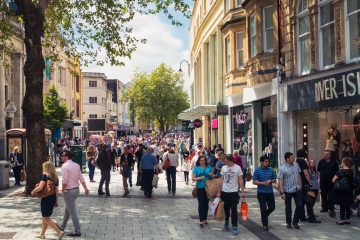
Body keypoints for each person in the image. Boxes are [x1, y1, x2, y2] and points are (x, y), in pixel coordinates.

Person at [58, 150, 89, 237]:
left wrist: (62, 190)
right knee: (68, 209)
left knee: (72, 211)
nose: (61, 157)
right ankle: (62, 227)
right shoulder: (76, 165)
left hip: (69, 191)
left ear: (67, 156)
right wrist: (86, 188)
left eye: (62, 155)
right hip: (76, 190)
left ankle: (77, 230)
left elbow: (65, 180)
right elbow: (81, 178)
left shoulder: (65, 166)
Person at [31, 162, 64, 240]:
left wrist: (33, 191)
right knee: (45, 216)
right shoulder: (55, 177)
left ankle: (59, 231)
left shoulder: (44, 176)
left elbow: (41, 186)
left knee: (46, 218)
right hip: (52, 198)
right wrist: (56, 201)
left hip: (46, 198)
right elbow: (56, 191)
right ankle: (42, 234)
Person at [216, 154, 245, 235]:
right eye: (224, 161)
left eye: (226, 161)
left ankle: (235, 225)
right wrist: (219, 192)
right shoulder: (224, 168)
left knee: (234, 209)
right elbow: (221, 180)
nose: (225, 162)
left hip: (234, 191)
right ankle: (226, 220)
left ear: (231, 160)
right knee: (226, 208)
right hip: (225, 191)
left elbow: (241, 179)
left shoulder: (237, 168)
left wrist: (242, 191)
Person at [277, 152, 302, 229]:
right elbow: (280, 180)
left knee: (299, 205)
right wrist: (282, 192)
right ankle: (288, 222)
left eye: (293, 157)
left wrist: (300, 185)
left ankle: (295, 221)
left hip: (296, 188)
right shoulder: (282, 168)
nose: (293, 159)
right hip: (287, 190)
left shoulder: (296, 165)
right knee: (288, 207)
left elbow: (298, 174)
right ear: (287, 159)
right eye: (292, 157)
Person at [296, 148, 321, 223]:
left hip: (299, 184)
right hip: (305, 185)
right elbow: (306, 174)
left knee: (302, 202)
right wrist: (310, 183)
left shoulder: (296, 162)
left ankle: (302, 216)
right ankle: (311, 217)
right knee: (309, 201)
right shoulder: (303, 162)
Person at [252, 155, 277, 231]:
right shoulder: (257, 170)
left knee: (272, 207)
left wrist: (270, 181)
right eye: (265, 161)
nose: (267, 163)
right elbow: (254, 181)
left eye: (268, 161)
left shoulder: (271, 169)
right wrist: (263, 183)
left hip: (270, 192)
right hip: (261, 192)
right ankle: (265, 224)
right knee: (263, 208)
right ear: (261, 162)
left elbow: (275, 180)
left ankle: (265, 215)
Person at [192, 156, 214, 227]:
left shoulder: (209, 168)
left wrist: (211, 175)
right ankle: (201, 219)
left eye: (203, 160)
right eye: (201, 160)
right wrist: (200, 178)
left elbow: (213, 177)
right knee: (201, 203)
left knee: (206, 203)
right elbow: (193, 178)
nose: (202, 161)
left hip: (208, 188)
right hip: (200, 188)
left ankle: (205, 218)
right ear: (199, 161)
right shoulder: (196, 168)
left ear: (205, 161)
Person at [332, 157, 354, 225]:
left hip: (342, 190)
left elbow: (334, 180)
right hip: (349, 190)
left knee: (342, 205)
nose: (341, 163)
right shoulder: (351, 171)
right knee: (347, 205)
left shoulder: (340, 171)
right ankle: (348, 219)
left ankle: (341, 220)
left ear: (344, 163)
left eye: (342, 162)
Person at [317, 150, 339, 216]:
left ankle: (331, 208)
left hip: (331, 182)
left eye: (327, 154)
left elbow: (337, 171)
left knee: (331, 195)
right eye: (325, 154)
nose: (326, 155)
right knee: (323, 195)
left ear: (330, 155)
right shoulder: (321, 162)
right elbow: (318, 170)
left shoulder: (334, 162)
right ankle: (324, 208)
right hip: (323, 181)